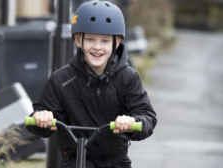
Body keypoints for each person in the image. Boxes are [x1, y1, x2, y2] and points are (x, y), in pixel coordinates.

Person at [26, 0, 157, 167]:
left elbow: (147, 116)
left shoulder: (128, 77)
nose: (97, 47)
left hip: (116, 161)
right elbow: (41, 117)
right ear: (78, 40)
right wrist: (41, 119)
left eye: (105, 41)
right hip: (75, 160)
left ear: (116, 43)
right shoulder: (61, 80)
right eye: (90, 39)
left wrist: (132, 123)